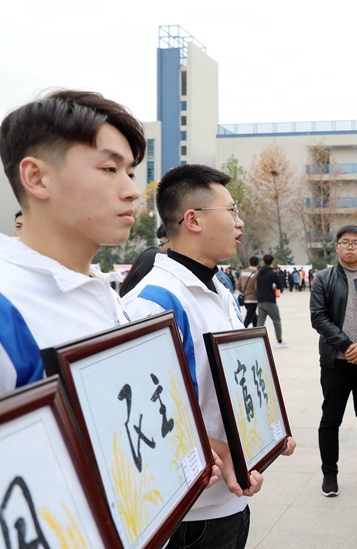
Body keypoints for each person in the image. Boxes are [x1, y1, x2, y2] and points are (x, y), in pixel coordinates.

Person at [122, 164, 296, 549]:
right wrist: (223, 450)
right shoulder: (153, 304)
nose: (240, 222)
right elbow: (149, 420)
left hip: (232, 500)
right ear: (193, 220)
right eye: (231, 211)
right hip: (190, 515)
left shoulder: (220, 288)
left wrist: (267, 430)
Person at [0, 90, 145, 394]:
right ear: (37, 178)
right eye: (110, 169)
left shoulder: (107, 295)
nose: (132, 191)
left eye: (130, 173)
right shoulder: (8, 309)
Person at [310, 224, 357, 497]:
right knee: (331, 419)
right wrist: (347, 345)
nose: (350, 247)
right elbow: (318, 317)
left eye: (356, 243)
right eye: (345, 242)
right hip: (335, 363)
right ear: (337, 247)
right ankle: (330, 474)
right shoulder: (323, 278)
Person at [256, 255, 289, 347]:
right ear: (273, 262)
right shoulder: (272, 273)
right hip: (270, 301)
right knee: (276, 320)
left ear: (263, 262)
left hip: (260, 300)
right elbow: (279, 285)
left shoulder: (259, 272)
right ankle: (279, 341)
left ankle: (257, 341)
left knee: (260, 322)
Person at [236, 256, 259, 327]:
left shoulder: (243, 272)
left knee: (253, 316)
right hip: (253, 299)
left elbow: (238, 286)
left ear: (249, 263)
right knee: (249, 317)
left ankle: (256, 329)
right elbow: (257, 287)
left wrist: (244, 291)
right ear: (258, 264)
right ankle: (242, 329)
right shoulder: (257, 273)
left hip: (245, 298)